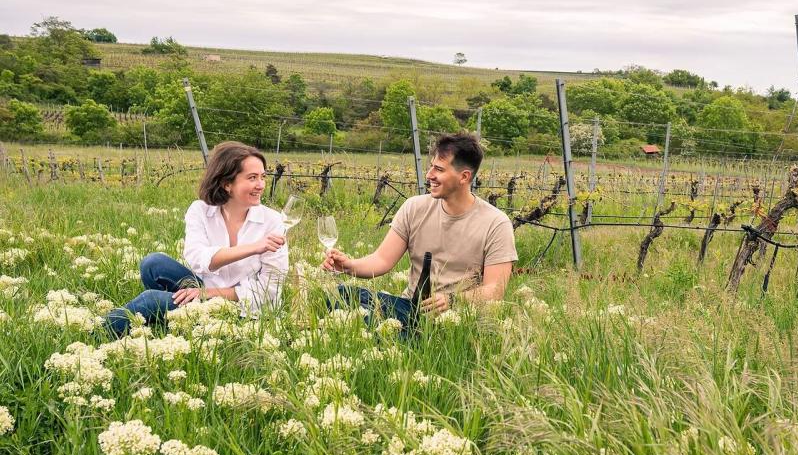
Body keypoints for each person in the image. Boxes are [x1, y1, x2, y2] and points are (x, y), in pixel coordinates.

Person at [321, 131, 517, 329]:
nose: (430, 175)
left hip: (456, 319)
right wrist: (347, 266)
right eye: (431, 166)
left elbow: (495, 289)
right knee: (340, 294)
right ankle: (393, 330)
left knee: (367, 323)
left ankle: (391, 332)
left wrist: (452, 300)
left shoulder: (496, 223)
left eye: (439, 169)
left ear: (464, 177)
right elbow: (381, 260)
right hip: (412, 308)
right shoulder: (414, 207)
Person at [105, 142, 288, 336]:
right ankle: (178, 322)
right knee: (152, 263)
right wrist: (253, 247)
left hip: (243, 307)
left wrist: (209, 294)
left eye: (262, 177)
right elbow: (197, 258)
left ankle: (98, 330)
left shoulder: (272, 221)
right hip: (205, 288)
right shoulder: (200, 210)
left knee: (151, 299)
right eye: (252, 178)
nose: (261, 185)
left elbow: (270, 290)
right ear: (227, 184)